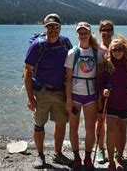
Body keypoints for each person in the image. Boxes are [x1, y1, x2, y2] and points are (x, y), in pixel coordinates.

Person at [24, 13, 73, 169]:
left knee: (61, 123)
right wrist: (30, 97)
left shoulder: (65, 43)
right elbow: (27, 72)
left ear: (60, 27)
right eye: (49, 26)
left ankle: (58, 154)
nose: (53, 29)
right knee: (39, 124)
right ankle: (40, 155)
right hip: (41, 91)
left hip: (60, 91)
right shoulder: (37, 45)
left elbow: (71, 67)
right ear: (45, 28)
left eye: (55, 26)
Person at [64, 22, 103, 170]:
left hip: (91, 96)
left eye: (85, 32)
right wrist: (68, 99)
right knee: (73, 127)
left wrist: (99, 97)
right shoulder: (72, 53)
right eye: (80, 32)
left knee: (90, 129)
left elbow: (99, 77)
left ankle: (87, 157)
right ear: (77, 34)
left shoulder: (97, 53)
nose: (83, 34)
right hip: (75, 96)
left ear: (90, 33)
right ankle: (76, 158)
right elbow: (68, 79)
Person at [97, 35, 127, 170]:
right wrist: (103, 91)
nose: (117, 52)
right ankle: (111, 162)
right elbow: (100, 83)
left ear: (124, 50)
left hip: (125, 103)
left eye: (120, 49)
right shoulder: (106, 66)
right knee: (111, 131)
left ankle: (119, 157)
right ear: (110, 51)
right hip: (111, 104)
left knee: (122, 131)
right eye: (114, 50)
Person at [95, 20, 115, 164]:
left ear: (112, 32)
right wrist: (98, 95)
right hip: (100, 90)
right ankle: (100, 150)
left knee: (114, 122)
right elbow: (94, 74)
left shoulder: (118, 48)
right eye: (103, 29)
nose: (106, 32)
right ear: (99, 31)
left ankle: (113, 148)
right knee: (100, 121)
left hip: (116, 91)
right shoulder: (96, 50)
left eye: (109, 29)